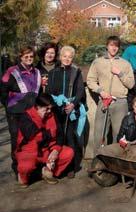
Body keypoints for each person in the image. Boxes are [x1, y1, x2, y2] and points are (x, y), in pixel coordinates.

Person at [15, 93, 74, 187]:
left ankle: (47, 171)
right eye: (46, 109)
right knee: (25, 167)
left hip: (47, 149)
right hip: (29, 151)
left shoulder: (52, 115)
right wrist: (50, 134)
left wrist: (55, 151)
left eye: (50, 108)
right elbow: (35, 136)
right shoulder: (25, 117)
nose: (49, 111)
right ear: (37, 107)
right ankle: (23, 177)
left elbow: (59, 135)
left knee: (68, 153)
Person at [87, 36, 134, 149]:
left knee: (119, 135)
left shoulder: (125, 64)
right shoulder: (97, 62)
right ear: (107, 46)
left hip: (120, 103)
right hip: (104, 101)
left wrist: (120, 73)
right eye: (111, 45)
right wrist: (100, 91)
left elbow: (131, 84)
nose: (114, 48)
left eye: (116, 46)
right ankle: (98, 163)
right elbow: (90, 80)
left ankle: (116, 164)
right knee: (99, 135)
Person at [0, 46, 41, 174]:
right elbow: (2, 90)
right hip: (15, 112)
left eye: (31, 56)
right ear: (21, 57)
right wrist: (8, 105)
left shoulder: (36, 72)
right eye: (26, 56)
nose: (29, 59)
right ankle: (16, 166)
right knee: (16, 138)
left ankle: (29, 166)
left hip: (30, 111)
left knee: (30, 137)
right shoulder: (12, 71)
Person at [46, 46, 86, 177]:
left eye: (70, 57)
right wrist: (57, 104)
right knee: (57, 138)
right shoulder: (53, 72)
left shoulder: (76, 72)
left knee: (70, 138)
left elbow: (80, 90)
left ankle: (70, 168)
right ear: (60, 57)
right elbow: (49, 91)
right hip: (57, 109)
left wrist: (73, 105)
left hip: (71, 108)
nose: (67, 59)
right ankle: (56, 166)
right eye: (65, 56)